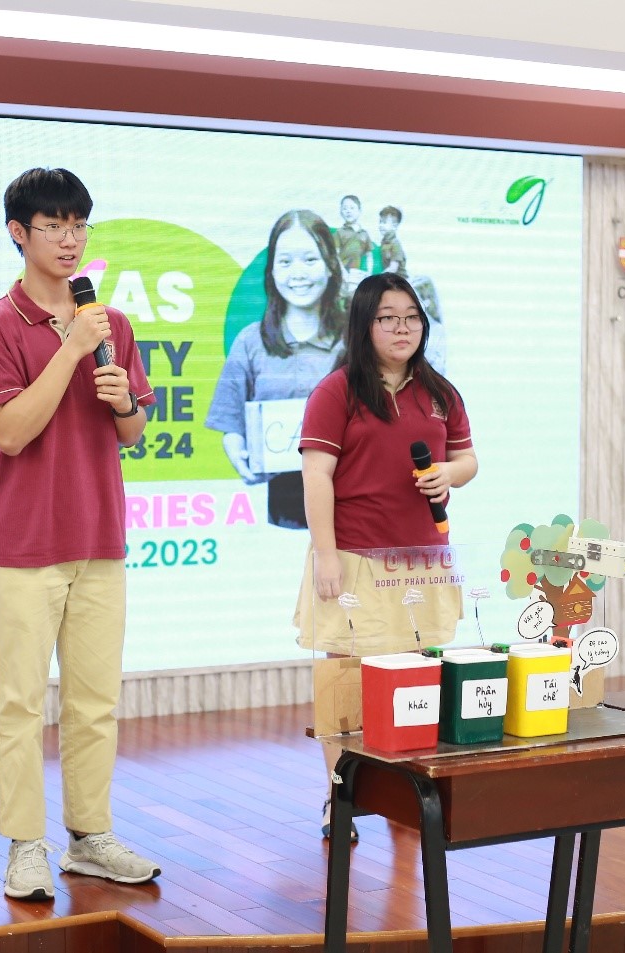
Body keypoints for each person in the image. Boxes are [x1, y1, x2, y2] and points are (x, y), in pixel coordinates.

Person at [0, 167, 161, 902]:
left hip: (100, 535)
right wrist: (72, 351)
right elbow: (11, 433)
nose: (70, 238)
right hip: (23, 544)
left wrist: (123, 403)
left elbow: (133, 432)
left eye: (79, 224)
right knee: (19, 702)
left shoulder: (112, 324)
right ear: (19, 233)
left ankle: (90, 837)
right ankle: (25, 844)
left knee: (94, 700)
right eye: (54, 225)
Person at [297, 272, 478, 836]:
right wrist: (326, 555)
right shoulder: (337, 392)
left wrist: (449, 472)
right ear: (363, 325)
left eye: (412, 318)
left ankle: (407, 793)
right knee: (346, 684)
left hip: (423, 561)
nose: (403, 328)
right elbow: (316, 475)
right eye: (388, 318)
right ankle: (340, 798)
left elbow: (467, 461)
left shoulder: (441, 393)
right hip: (353, 557)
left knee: (418, 678)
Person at [205, 209, 346, 528]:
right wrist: (237, 450)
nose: (298, 273)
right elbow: (230, 422)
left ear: (330, 265)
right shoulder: (249, 342)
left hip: (353, 509)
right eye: (285, 261)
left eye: (310, 259)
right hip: (277, 517)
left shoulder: (358, 340)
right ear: (271, 271)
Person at [333, 194, 374, 294]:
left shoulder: (364, 234)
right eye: (345, 208)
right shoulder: (339, 232)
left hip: (356, 274)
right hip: (341, 273)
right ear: (341, 212)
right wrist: (343, 272)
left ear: (359, 211)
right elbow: (335, 255)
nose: (348, 211)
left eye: (352, 208)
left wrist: (369, 273)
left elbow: (369, 256)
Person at [376, 205, 407, 277]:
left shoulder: (395, 244)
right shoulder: (384, 242)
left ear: (394, 226)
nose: (381, 225)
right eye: (380, 222)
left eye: (384, 222)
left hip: (399, 280)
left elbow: (393, 268)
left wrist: (377, 278)